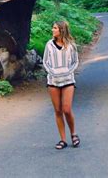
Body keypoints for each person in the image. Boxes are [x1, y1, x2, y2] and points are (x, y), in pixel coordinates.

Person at [43, 20, 80, 150]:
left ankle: (73, 134)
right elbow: (45, 62)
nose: (52, 30)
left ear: (61, 30)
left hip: (68, 80)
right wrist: (52, 72)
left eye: (55, 28)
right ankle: (63, 139)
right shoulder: (49, 45)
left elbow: (75, 61)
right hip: (53, 81)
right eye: (53, 28)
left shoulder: (71, 45)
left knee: (67, 109)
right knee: (58, 110)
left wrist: (69, 71)